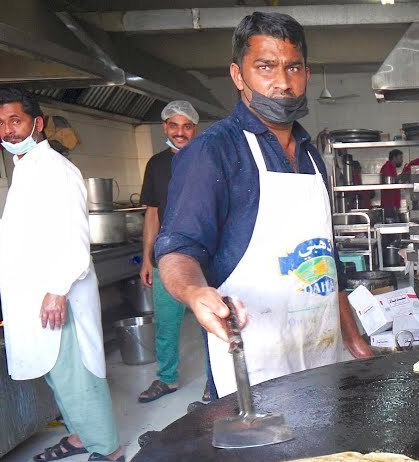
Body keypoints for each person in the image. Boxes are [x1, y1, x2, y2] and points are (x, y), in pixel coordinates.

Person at [155, 11, 373, 400]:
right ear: (239, 75)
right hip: (254, 361)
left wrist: (353, 338)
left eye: (293, 67)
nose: (283, 83)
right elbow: (177, 248)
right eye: (266, 67)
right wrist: (193, 292)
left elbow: (327, 259)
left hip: (321, 351)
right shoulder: (213, 150)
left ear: (306, 74)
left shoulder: (310, 156)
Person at [0, 87, 124, 462]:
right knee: (56, 373)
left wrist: (57, 290)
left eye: (16, 121)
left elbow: (74, 236)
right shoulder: (28, 168)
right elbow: (38, 218)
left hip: (59, 291)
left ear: (37, 123)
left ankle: (108, 450)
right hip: (39, 293)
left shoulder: (56, 169)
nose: (8, 130)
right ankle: (81, 437)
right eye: (0, 122)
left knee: (76, 374)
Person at [136, 100, 200, 404]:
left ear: (194, 129)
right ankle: (167, 378)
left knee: (213, 317)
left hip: (204, 254)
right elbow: (152, 213)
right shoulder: (156, 164)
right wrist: (147, 257)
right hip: (167, 254)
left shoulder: (207, 158)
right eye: (174, 125)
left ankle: (217, 381)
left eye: (186, 126)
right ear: (165, 128)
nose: (180, 132)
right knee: (166, 320)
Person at [379, 149, 404, 222]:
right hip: (389, 204)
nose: (402, 160)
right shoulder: (387, 167)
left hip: (394, 203)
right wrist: (403, 174)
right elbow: (391, 181)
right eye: (400, 158)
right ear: (394, 158)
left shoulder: (392, 168)